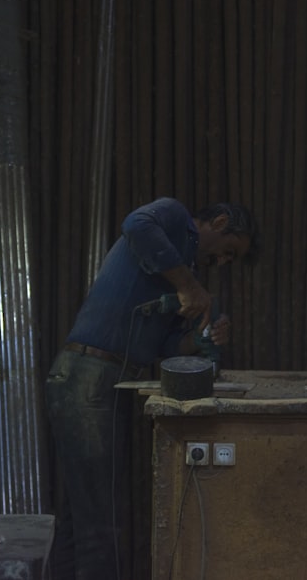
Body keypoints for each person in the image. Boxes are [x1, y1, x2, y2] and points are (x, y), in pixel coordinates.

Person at [45, 197, 260, 579]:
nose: (224, 262)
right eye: (229, 251)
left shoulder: (181, 268)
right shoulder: (174, 219)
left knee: (82, 517)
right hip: (88, 374)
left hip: (104, 379)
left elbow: (164, 349)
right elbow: (136, 223)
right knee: (101, 520)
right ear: (220, 221)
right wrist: (190, 286)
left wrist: (201, 336)